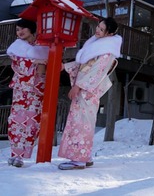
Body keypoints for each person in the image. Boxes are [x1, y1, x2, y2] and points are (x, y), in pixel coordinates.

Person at [57, 17, 121, 170]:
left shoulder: (107, 51)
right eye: (98, 27)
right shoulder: (97, 45)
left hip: (88, 91)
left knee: (82, 123)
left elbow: (96, 72)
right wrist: (65, 66)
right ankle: (85, 157)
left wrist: (78, 86)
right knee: (81, 123)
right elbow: (83, 65)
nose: (97, 30)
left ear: (110, 33)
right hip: (84, 90)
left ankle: (78, 160)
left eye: (101, 29)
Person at [6, 18, 50, 167]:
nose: (20, 32)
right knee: (16, 120)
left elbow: (45, 65)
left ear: (31, 29)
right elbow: (18, 65)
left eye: (23, 28)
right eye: (17, 30)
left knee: (31, 121)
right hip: (21, 88)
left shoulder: (43, 45)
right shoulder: (16, 47)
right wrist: (34, 62)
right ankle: (15, 154)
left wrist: (39, 62)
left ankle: (23, 155)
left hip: (36, 89)